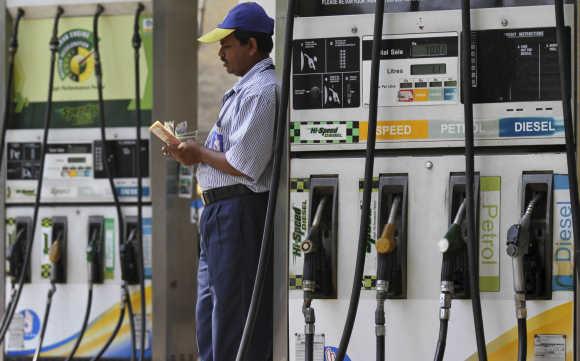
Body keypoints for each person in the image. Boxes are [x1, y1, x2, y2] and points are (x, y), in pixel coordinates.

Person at [164, 2, 276, 361]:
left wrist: (198, 153)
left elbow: (245, 164)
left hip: (240, 212)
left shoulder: (263, 91)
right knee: (210, 316)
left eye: (227, 45)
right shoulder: (244, 90)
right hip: (219, 215)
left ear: (252, 46)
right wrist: (190, 152)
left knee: (234, 316)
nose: (221, 54)